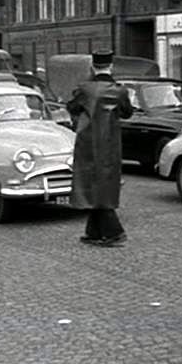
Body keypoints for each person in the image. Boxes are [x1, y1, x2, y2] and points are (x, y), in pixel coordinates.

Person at [67, 50, 133, 247]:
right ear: (111, 66)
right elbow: (127, 113)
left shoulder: (85, 89)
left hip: (89, 143)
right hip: (110, 145)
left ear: (92, 67)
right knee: (105, 184)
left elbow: (72, 107)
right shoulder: (119, 91)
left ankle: (114, 231)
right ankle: (94, 232)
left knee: (91, 184)